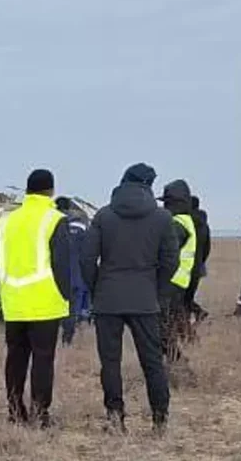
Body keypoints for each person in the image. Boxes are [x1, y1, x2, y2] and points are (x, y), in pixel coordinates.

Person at [80, 163, 176, 434]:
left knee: (110, 362)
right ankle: (160, 419)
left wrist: (97, 287)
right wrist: (157, 290)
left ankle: (115, 417)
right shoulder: (162, 218)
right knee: (152, 361)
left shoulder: (104, 216)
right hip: (145, 297)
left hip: (108, 297)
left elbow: (87, 258)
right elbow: (171, 260)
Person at [0, 169, 71, 428]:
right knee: (43, 359)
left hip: (14, 302)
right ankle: (40, 414)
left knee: (15, 358)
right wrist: (66, 297)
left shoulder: (6, 221)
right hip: (45, 303)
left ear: (27, 190)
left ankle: (15, 411)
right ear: (51, 190)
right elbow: (63, 265)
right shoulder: (55, 219)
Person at [157, 180, 197, 374]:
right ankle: (174, 366)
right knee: (166, 328)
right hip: (178, 283)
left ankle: (180, 368)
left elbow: (165, 252)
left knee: (161, 329)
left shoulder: (177, 224)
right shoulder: (185, 221)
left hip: (170, 283)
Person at [56, 196, 92, 346]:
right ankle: (67, 340)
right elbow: (89, 253)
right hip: (77, 274)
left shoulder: (55, 225)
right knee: (72, 308)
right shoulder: (82, 227)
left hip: (56, 274)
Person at [186, 195, 211, 324]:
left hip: (185, 265)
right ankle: (197, 312)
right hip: (198, 264)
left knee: (182, 297)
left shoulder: (186, 222)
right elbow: (207, 247)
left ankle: (194, 315)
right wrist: (201, 261)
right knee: (189, 295)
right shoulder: (204, 224)